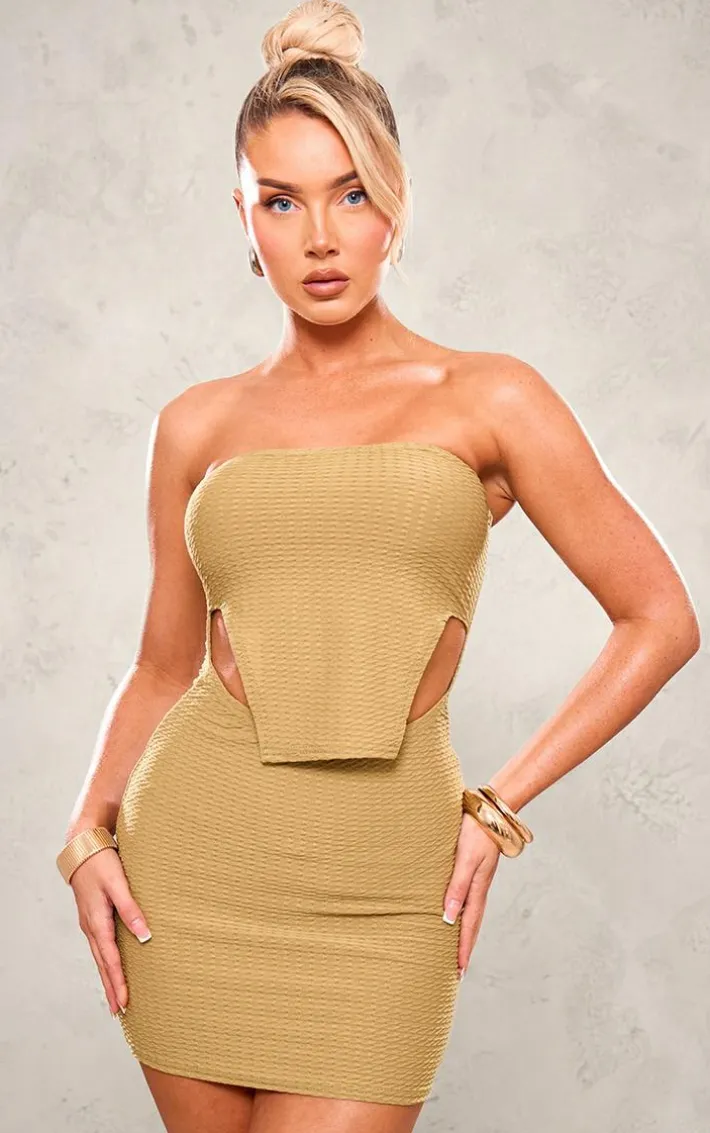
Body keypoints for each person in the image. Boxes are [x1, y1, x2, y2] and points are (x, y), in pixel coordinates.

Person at [55, 2, 700, 1131]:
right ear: (243, 216)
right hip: (194, 874)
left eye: (351, 193)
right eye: (281, 200)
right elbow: (161, 665)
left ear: (395, 201)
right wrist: (83, 836)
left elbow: (659, 617)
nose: (320, 236)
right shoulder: (197, 424)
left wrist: (499, 807)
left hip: (383, 893)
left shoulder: (489, 397)